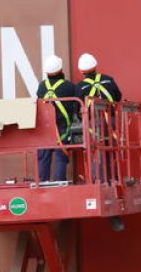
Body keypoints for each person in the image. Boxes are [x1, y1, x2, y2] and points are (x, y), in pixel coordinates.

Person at [75, 53, 122, 183]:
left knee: (96, 152)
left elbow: (77, 107)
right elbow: (118, 97)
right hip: (111, 121)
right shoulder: (108, 79)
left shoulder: (79, 87)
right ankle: (113, 178)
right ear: (95, 66)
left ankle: (99, 181)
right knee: (111, 150)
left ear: (81, 70)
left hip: (93, 124)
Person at [37, 55, 79, 183]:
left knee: (44, 155)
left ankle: (43, 182)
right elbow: (76, 106)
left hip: (46, 126)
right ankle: (59, 182)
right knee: (61, 154)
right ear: (61, 69)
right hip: (63, 126)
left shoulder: (42, 86)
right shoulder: (69, 87)